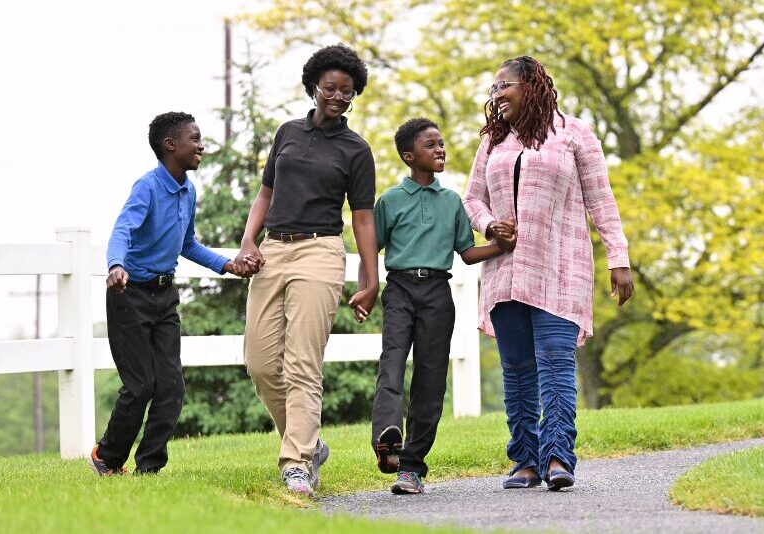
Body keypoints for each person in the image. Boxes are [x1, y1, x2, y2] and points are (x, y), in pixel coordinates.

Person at [463, 56, 634, 491]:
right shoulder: (493, 143)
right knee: (517, 368)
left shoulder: (574, 133)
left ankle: (558, 456)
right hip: (505, 273)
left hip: (560, 268)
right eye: (492, 90)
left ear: (532, 85)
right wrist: (489, 225)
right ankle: (524, 459)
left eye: (504, 86)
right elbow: (471, 201)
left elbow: (601, 199)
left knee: (557, 361)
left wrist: (619, 257)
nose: (496, 96)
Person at [237, 44, 379, 498]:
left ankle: (296, 461)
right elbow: (265, 194)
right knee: (259, 362)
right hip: (273, 250)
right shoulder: (287, 133)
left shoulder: (356, 150)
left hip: (320, 253)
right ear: (314, 86)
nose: (339, 96)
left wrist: (370, 277)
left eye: (348, 91)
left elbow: (361, 217)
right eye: (331, 88)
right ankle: (310, 442)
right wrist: (248, 240)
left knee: (302, 362)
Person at [90, 111, 249, 476]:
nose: (201, 145)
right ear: (170, 145)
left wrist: (226, 265)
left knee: (171, 386)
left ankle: (149, 468)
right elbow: (122, 229)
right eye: (195, 139)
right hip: (130, 293)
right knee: (140, 384)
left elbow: (187, 243)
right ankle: (107, 457)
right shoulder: (147, 187)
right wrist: (116, 265)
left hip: (165, 297)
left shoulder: (188, 190)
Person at [361, 118, 508, 494]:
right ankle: (388, 439)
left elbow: (468, 252)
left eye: (441, 143)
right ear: (410, 156)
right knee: (392, 361)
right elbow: (369, 249)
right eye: (431, 145)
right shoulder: (391, 200)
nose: (440, 149)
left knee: (430, 379)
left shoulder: (451, 202)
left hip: (438, 295)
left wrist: (501, 247)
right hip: (400, 290)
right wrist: (366, 291)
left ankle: (411, 468)